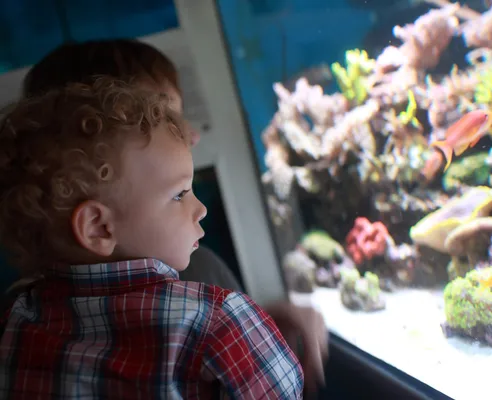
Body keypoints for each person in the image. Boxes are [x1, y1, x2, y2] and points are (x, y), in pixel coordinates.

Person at [21, 39, 329, 395]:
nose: (191, 135)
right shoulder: (205, 289)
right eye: (163, 119)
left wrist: (263, 319)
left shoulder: (20, 316)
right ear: (98, 226)